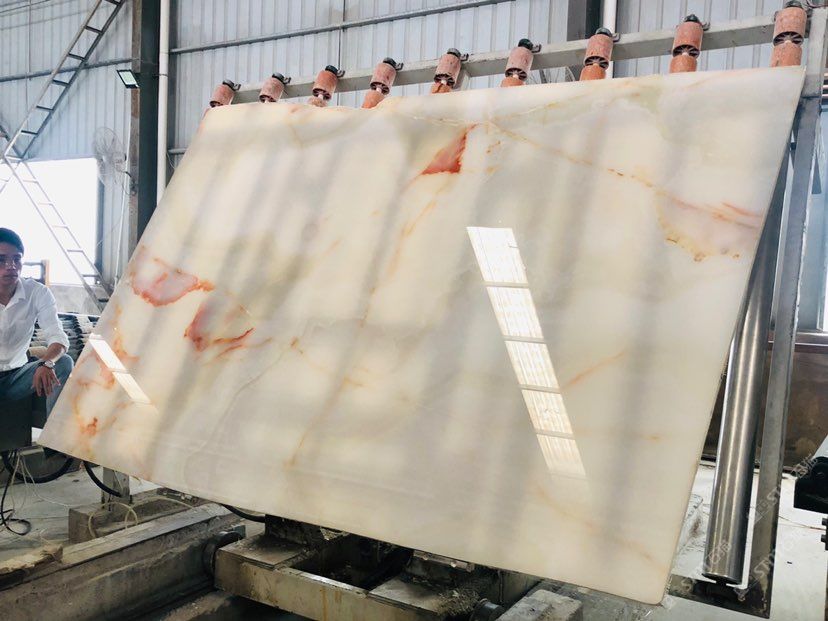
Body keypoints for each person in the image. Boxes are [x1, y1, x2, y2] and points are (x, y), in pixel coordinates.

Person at [0, 228, 72, 414]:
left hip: (17, 377)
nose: (11, 266)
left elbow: (58, 337)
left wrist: (47, 363)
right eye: (2, 260)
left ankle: (54, 431)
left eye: (16, 259)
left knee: (63, 362)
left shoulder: (37, 292)